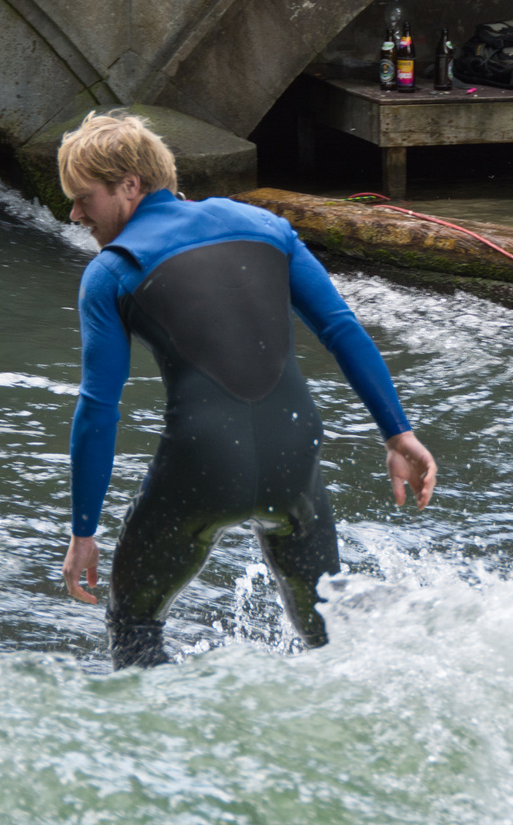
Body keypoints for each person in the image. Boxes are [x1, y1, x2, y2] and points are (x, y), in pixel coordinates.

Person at [55, 111, 437, 668]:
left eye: (83, 197)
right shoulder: (267, 227)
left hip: (200, 469)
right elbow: (341, 329)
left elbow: (98, 409)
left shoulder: (113, 271)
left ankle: (159, 750)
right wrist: (397, 433)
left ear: (130, 186)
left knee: (135, 624)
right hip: (294, 460)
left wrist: (83, 531)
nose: (75, 213)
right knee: (329, 639)